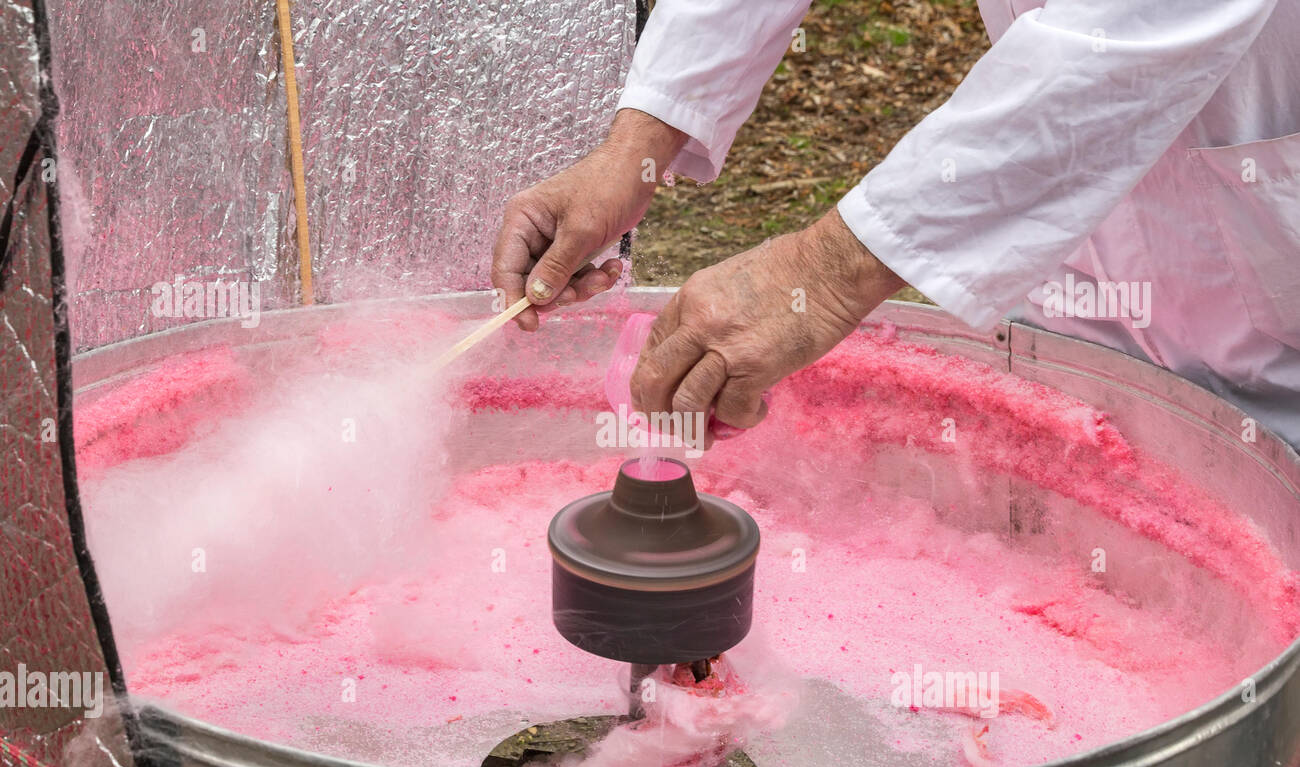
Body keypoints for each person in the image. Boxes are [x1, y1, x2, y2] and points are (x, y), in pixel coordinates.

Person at [490, 0, 1300, 446]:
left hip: (1275, 310)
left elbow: (1122, 41)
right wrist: (636, 146)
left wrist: (819, 274)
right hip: (1077, 278)